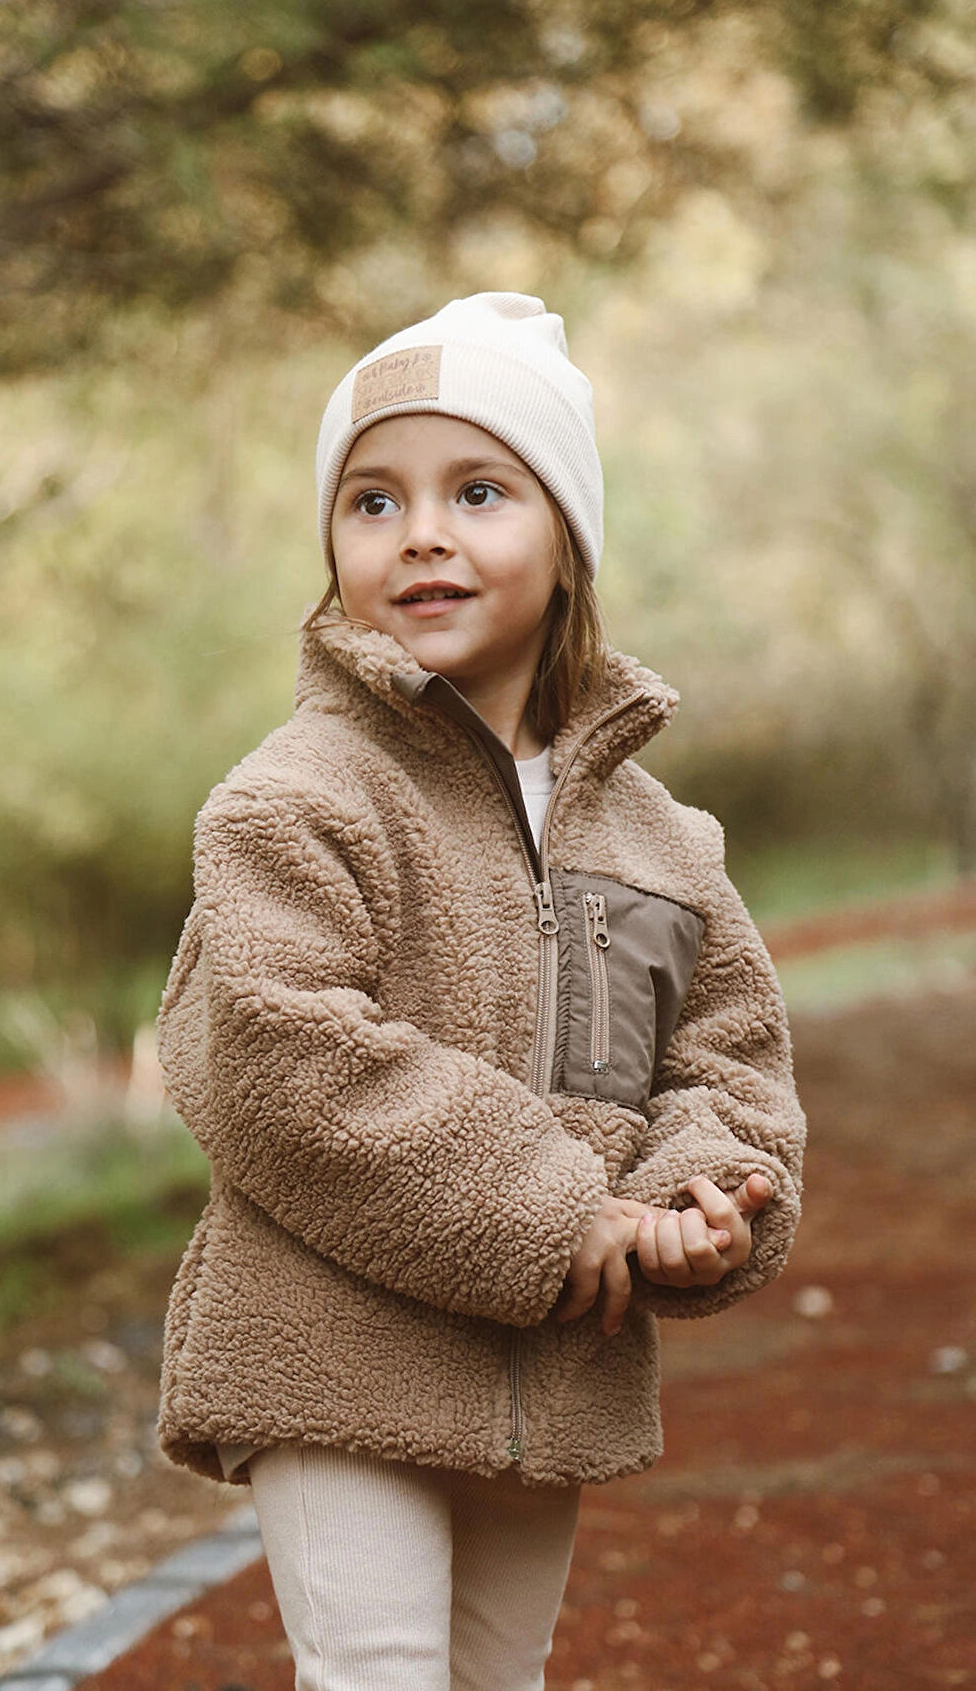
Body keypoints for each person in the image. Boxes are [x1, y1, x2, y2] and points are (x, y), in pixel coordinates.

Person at [155, 291, 806, 1691]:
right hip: (332, 1356)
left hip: (549, 1368)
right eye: (373, 500)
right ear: (334, 551)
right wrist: (563, 1209)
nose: (423, 532)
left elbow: (715, 1060)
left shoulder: (655, 840)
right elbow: (281, 1059)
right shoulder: (298, 798)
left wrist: (702, 1198)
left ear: (567, 541)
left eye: (480, 489)